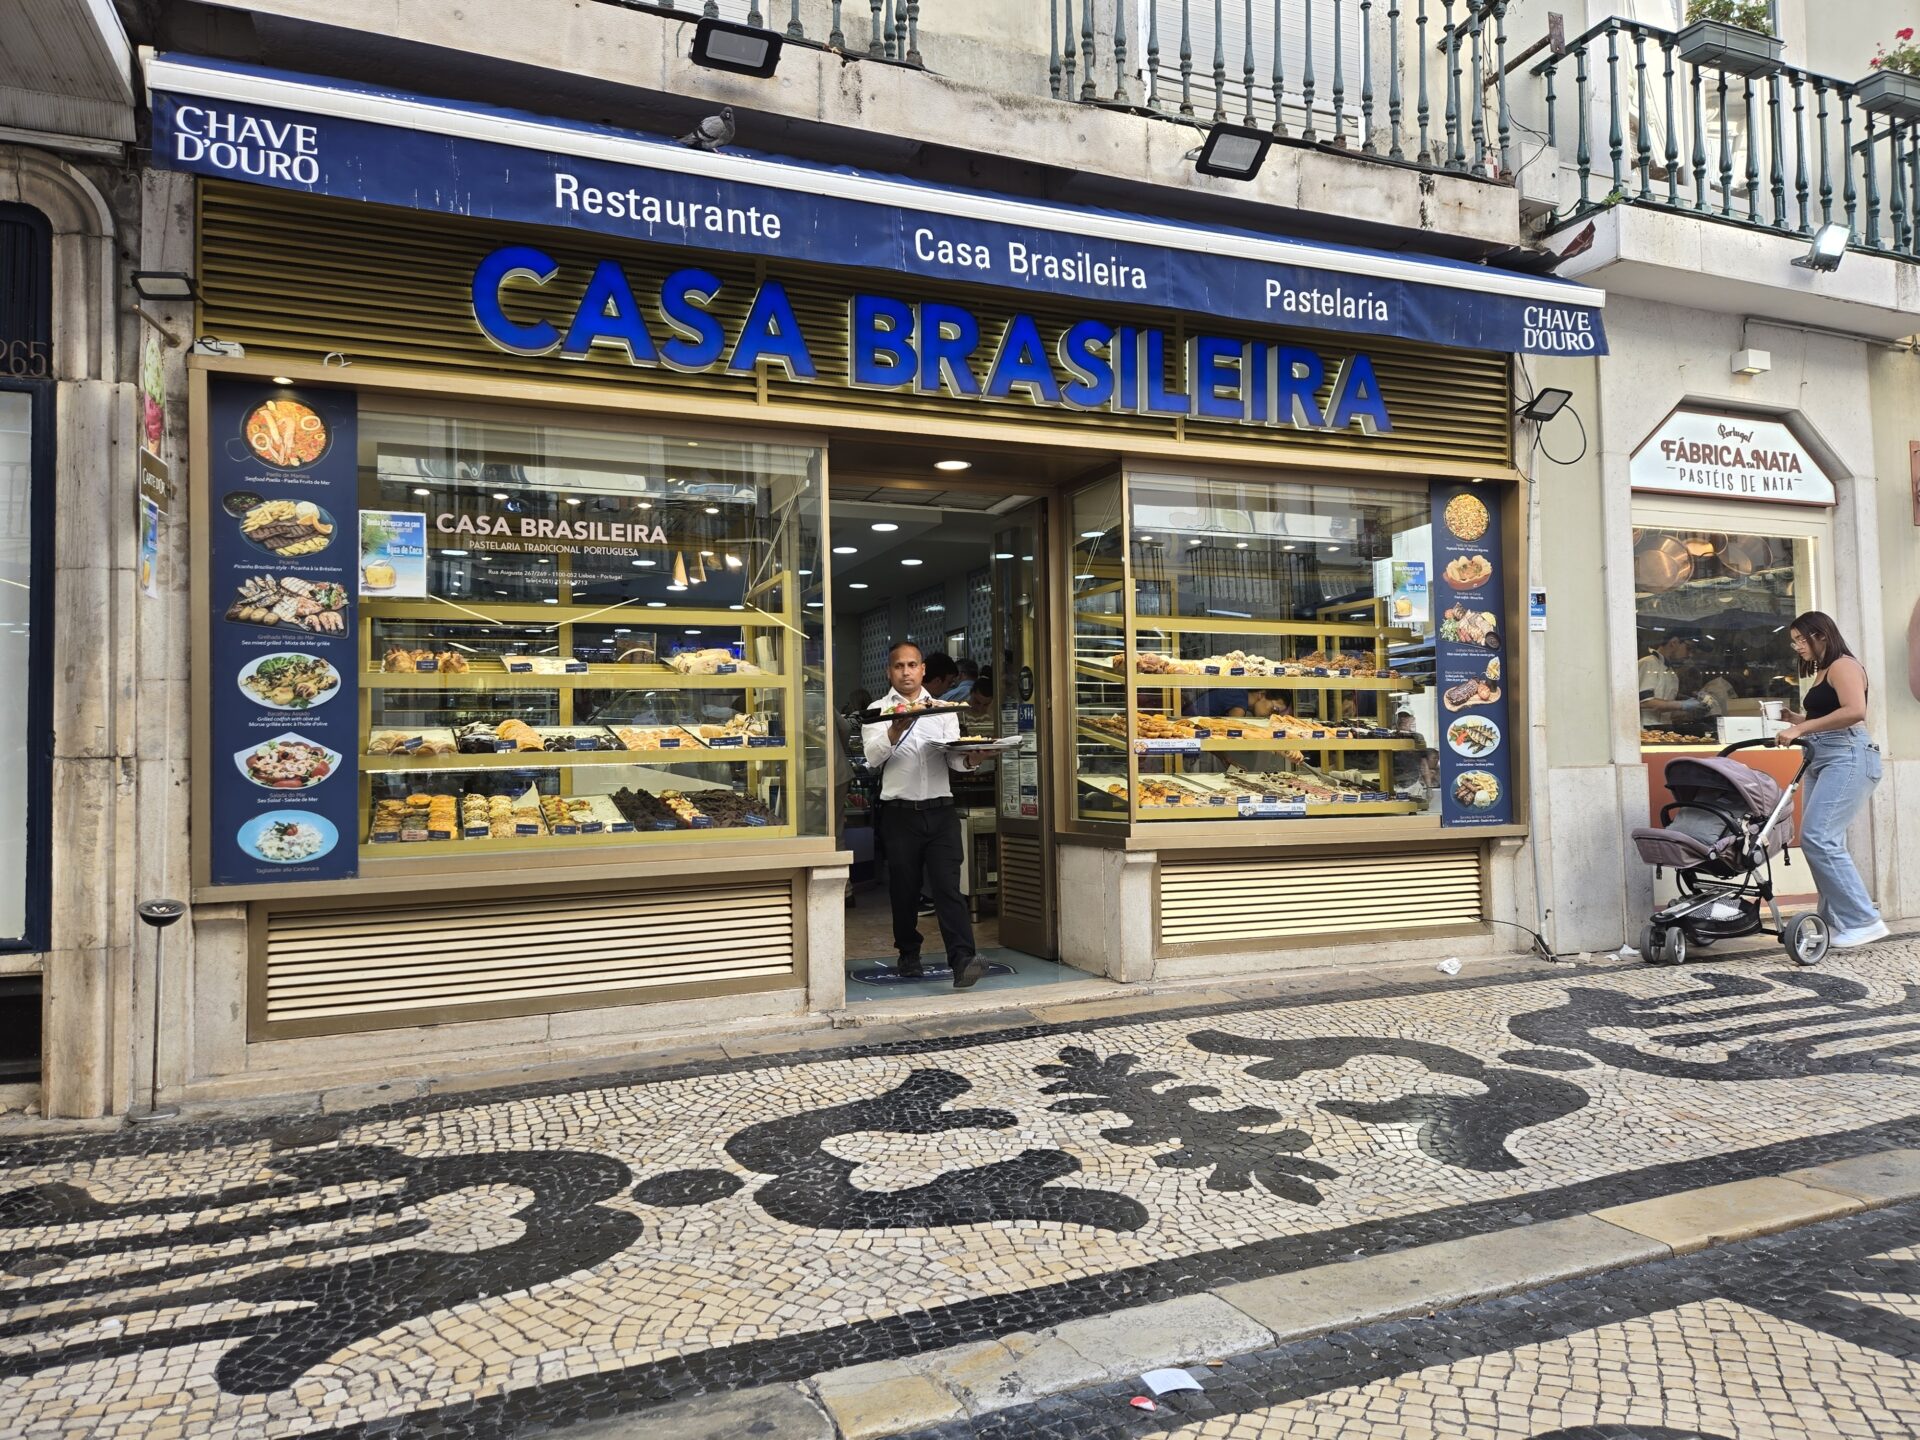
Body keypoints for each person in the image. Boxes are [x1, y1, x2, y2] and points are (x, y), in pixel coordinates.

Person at [862, 643, 988, 987]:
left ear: (922, 671)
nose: (906, 671)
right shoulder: (877, 710)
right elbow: (872, 758)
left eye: (912, 665)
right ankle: (908, 952)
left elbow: (953, 758)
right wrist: (895, 729)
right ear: (890, 672)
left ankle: (963, 961)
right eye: (899, 666)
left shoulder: (945, 710)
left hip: (940, 810)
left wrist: (972, 760)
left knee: (948, 887)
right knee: (904, 890)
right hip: (899, 814)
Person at [1773, 611, 1887, 949]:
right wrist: (1798, 718)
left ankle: (1864, 921)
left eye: (1800, 639)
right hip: (1825, 757)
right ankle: (1836, 922)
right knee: (1821, 841)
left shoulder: (1843, 665)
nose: (1796, 646)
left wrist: (1800, 728)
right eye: (1793, 640)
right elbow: (1830, 713)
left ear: (1820, 635)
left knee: (1818, 838)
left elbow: (1855, 711)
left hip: (1848, 756)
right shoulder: (1824, 670)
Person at [1390, 709, 1434, 794]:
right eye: (1400, 716)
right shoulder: (1391, 736)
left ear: (1412, 719)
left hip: (1413, 785)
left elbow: (1423, 764)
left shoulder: (1418, 738)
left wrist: (1429, 787)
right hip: (1393, 785)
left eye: (1406, 716)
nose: (1402, 719)